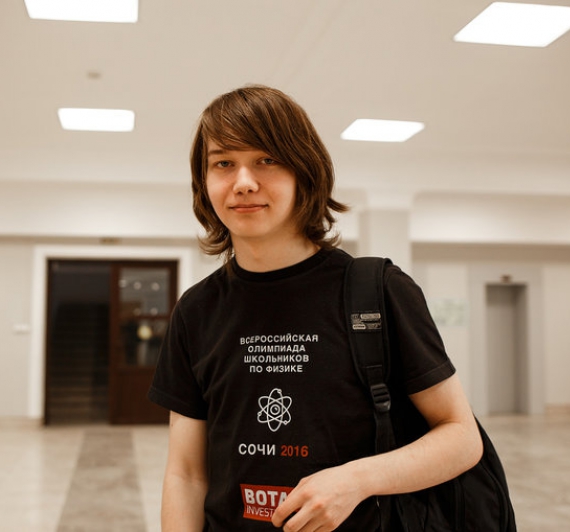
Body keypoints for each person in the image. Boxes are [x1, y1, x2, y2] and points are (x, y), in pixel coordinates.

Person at [148, 85, 482, 531]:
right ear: (204, 182)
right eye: (223, 163)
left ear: (304, 170)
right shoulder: (196, 310)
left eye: (266, 160)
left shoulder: (378, 291)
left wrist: (357, 480)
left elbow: (461, 437)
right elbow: (186, 474)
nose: (243, 182)